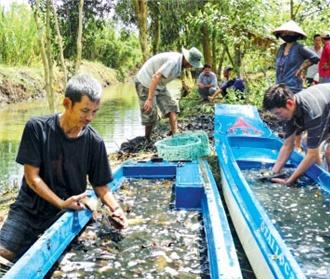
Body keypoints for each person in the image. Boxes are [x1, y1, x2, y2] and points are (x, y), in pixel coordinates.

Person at [0, 74, 128, 262]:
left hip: (67, 211)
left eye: (95, 111)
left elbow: (100, 186)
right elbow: (32, 178)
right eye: (85, 110)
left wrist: (116, 209)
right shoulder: (37, 128)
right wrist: (60, 202)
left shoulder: (95, 142)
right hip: (29, 209)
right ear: (67, 103)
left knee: (74, 260)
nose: (90, 118)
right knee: (4, 255)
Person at [262, 83, 330, 184]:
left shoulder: (313, 112)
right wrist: (273, 173)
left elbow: (312, 154)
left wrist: (290, 180)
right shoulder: (290, 112)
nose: (278, 117)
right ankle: (320, 176)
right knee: (307, 143)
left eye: (278, 113)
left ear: (290, 103)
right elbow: (287, 145)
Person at [134, 47, 203, 140]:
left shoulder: (180, 63)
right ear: (187, 60)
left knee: (171, 107)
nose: (191, 67)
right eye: (191, 64)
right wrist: (149, 99)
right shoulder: (173, 62)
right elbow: (156, 76)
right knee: (150, 112)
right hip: (145, 82)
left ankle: (175, 134)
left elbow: (160, 78)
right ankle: (147, 138)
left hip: (159, 85)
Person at [272, 20, 319, 94]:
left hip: (293, 87)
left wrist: (302, 68)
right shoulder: (281, 48)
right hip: (279, 87)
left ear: (296, 34)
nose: (286, 34)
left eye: (290, 32)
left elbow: (315, 58)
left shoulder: (300, 48)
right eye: (284, 32)